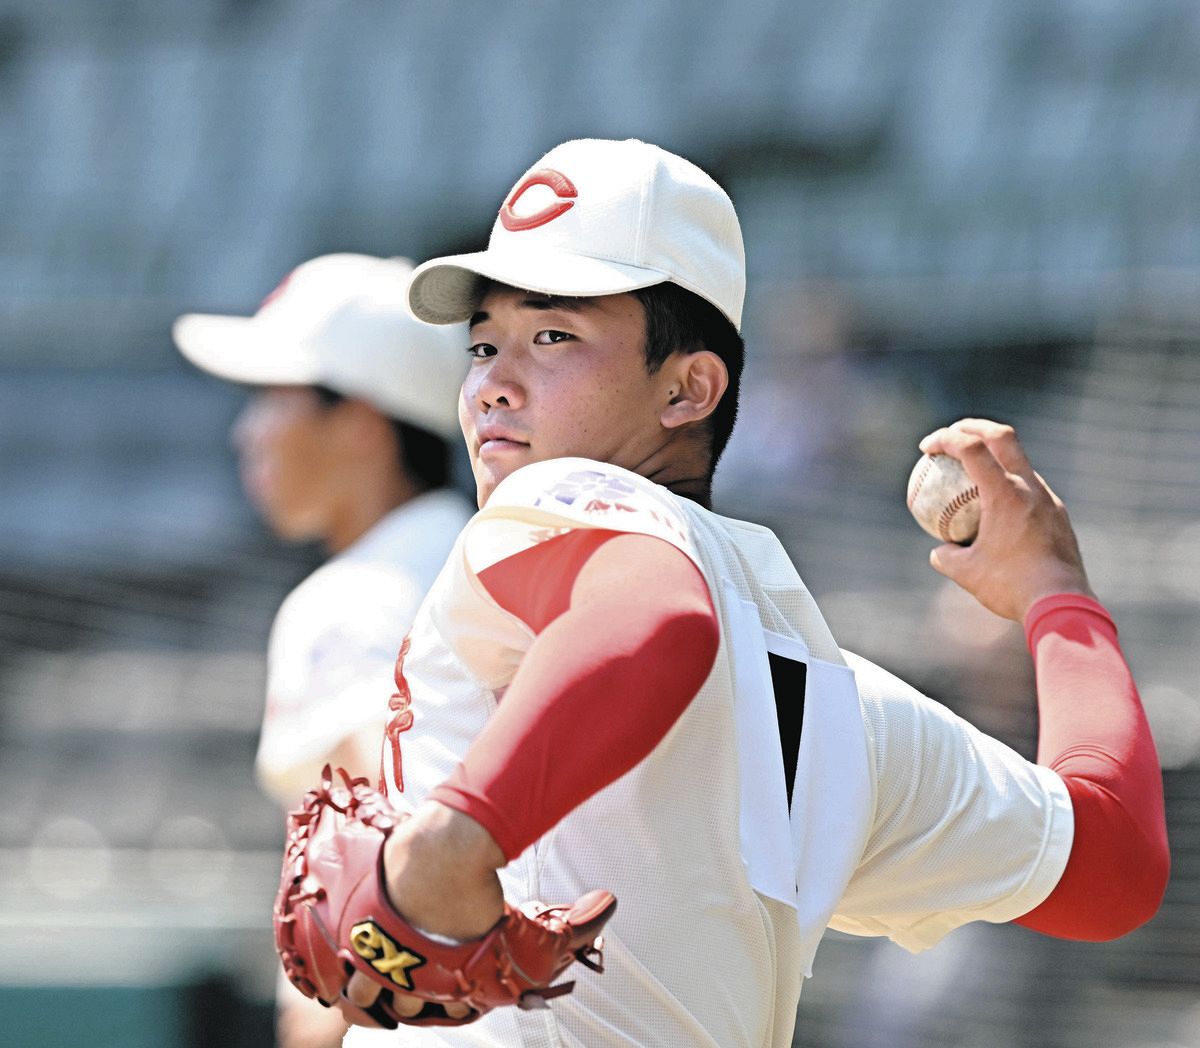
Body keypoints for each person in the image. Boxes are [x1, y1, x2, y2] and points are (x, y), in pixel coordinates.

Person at [317, 141, 1168, 1048]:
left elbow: (657, 617)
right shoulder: (847, 713)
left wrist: (458, 836)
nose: (491, 383)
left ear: (689, 389)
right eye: (483, 344)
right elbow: (1112, 861)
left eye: (552, 335)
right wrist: (1058, 598)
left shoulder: (558, 503)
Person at [173, 253, 474, 1048]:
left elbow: (398, 811)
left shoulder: (350, 599)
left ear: (361, 422)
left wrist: (326, 1015)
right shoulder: (479, 562)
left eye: (275, 398)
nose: (248, 432)